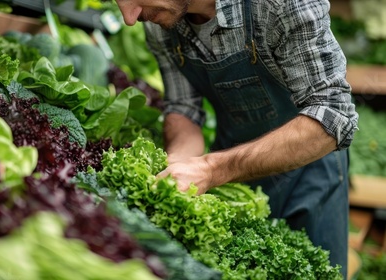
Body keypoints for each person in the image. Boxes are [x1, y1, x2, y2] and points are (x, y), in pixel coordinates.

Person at [113, 0, 359, 277]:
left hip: (308, 174)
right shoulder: (160, 19)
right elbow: (183, 107)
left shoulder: (281, 4)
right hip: (229, 170)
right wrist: (179, 162)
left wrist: (210, 168)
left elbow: (334, 114)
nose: (129, 17)